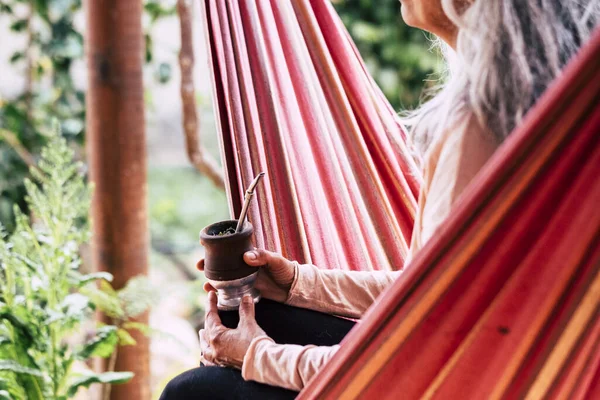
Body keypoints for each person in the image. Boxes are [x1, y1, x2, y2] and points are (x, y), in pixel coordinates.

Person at [160, 0, 599, 398]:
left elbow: (422, 357)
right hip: (519, 364)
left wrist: (259, 357)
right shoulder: (551, 110)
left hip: (463, 377)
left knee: (193, 394)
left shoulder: (478, 129)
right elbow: (430, 294)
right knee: (265, 311)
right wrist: (298, 283)